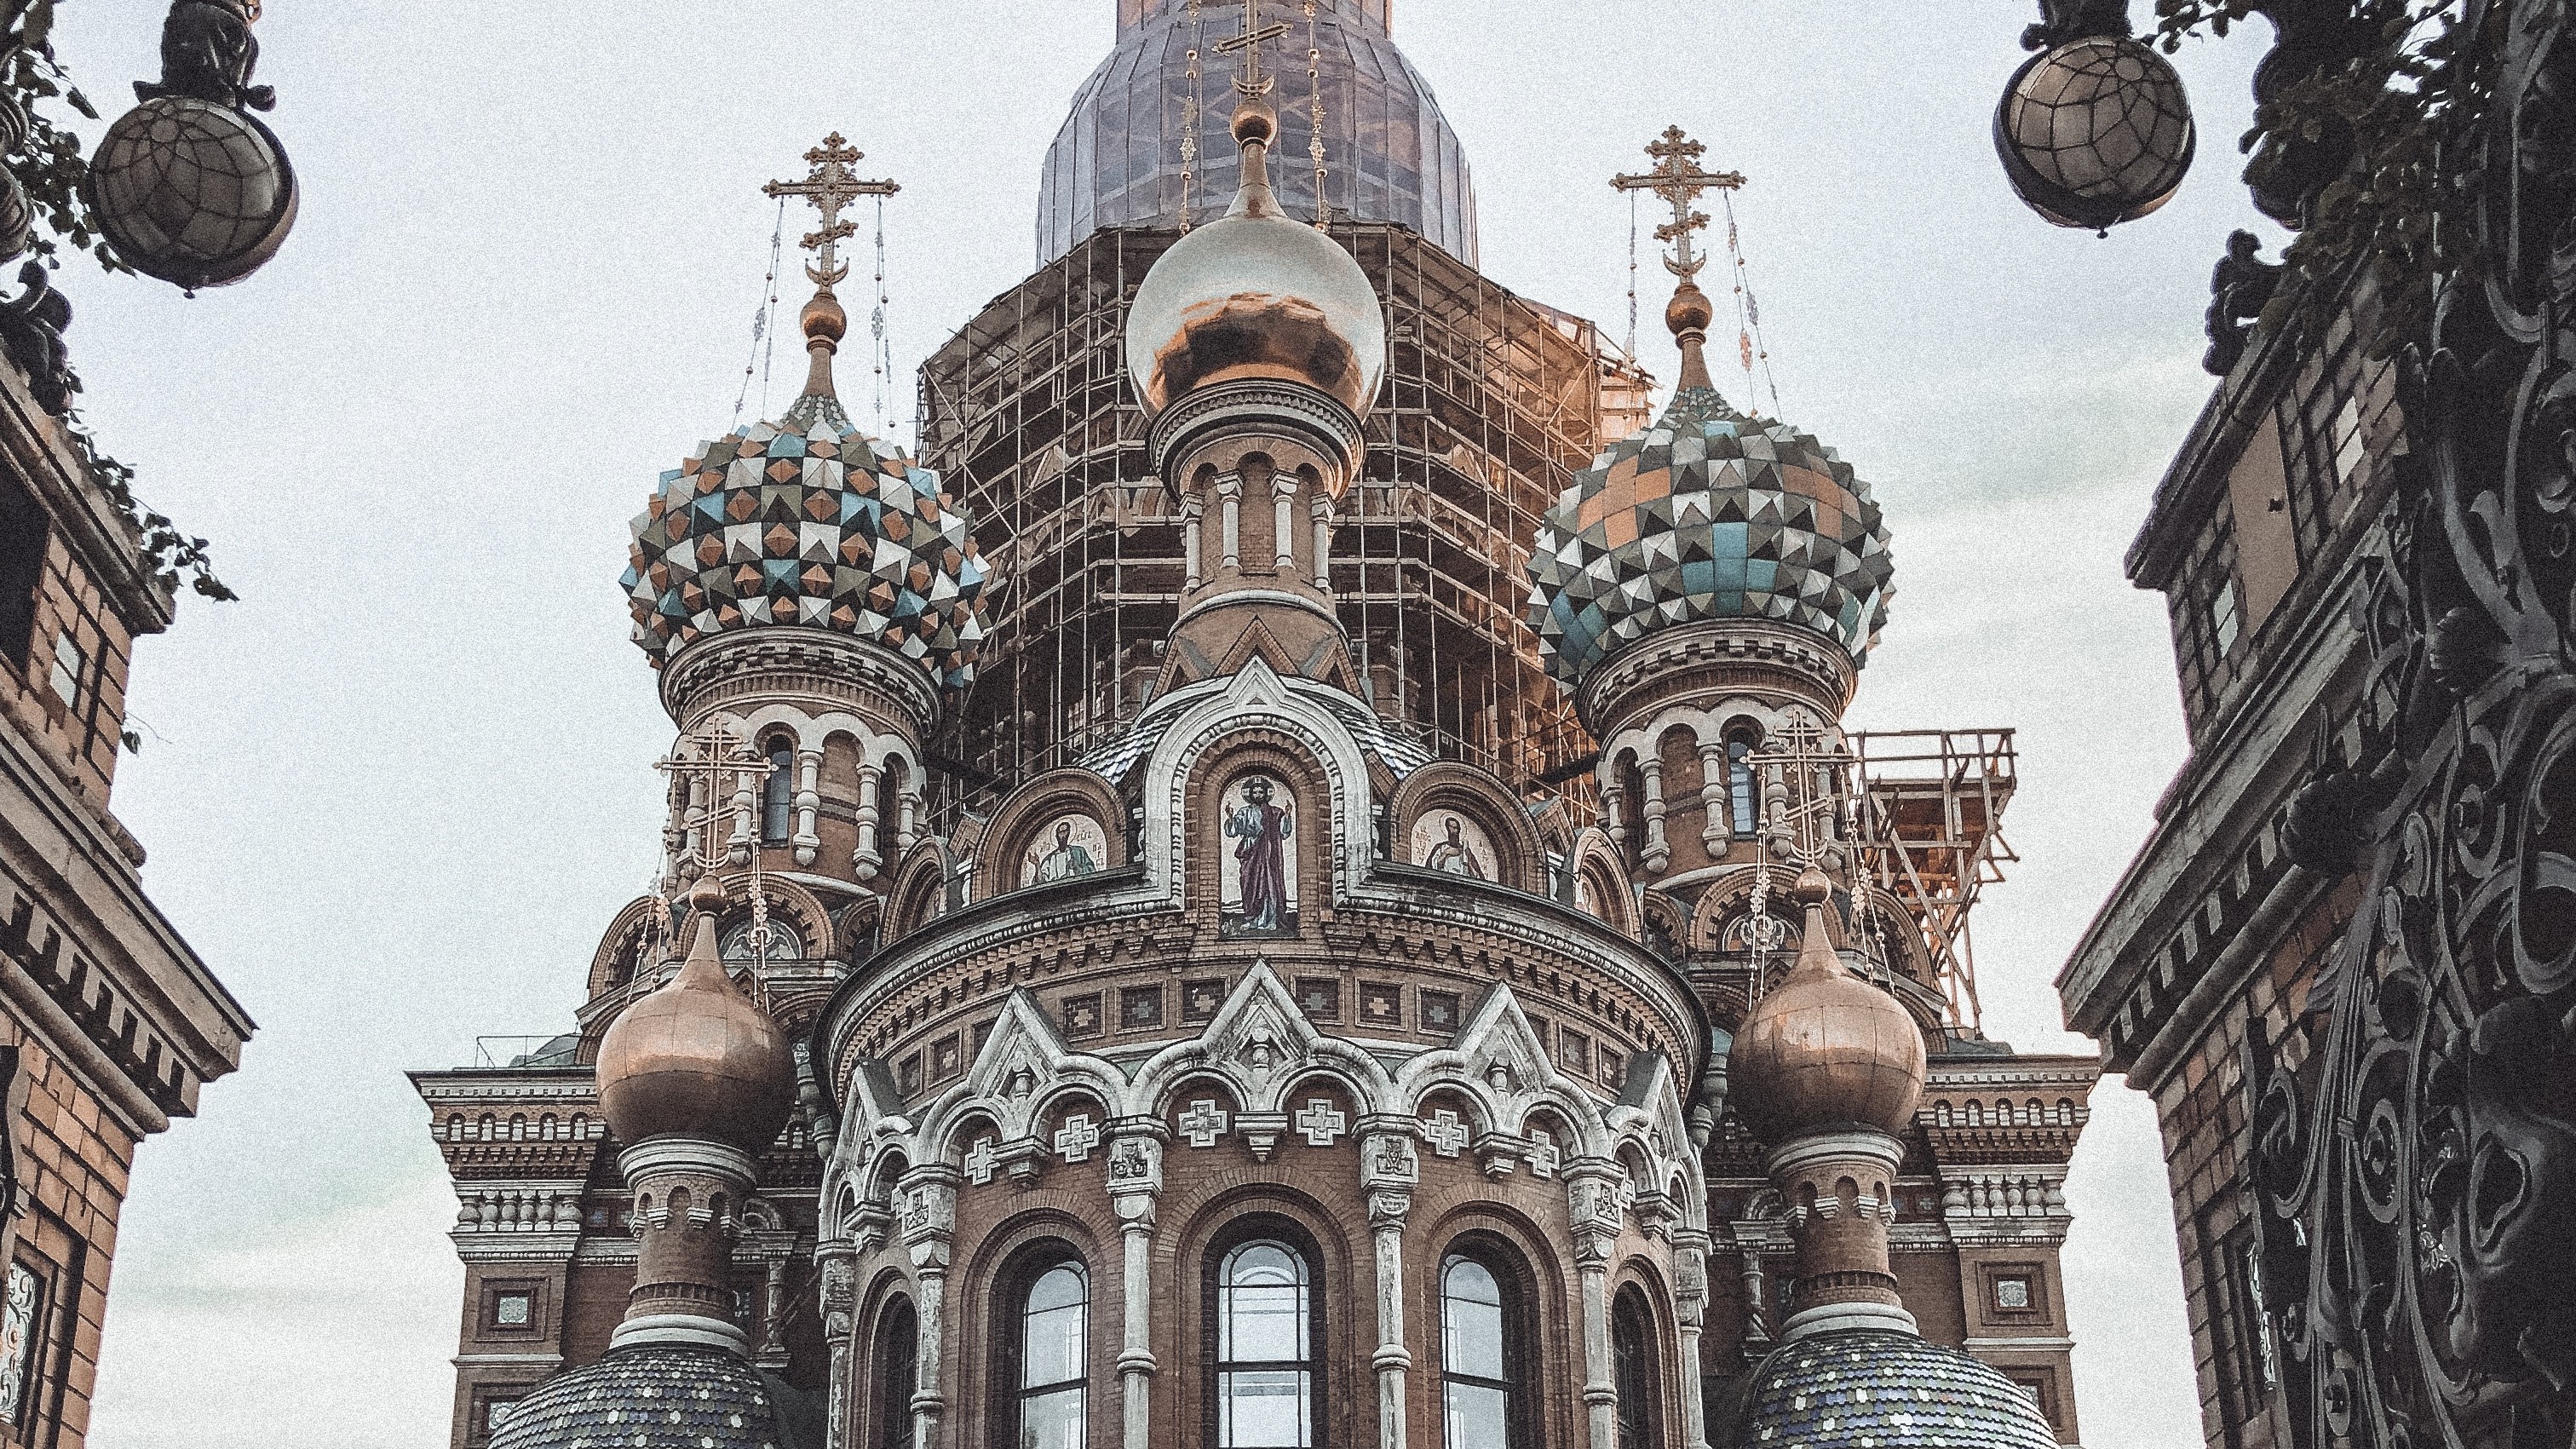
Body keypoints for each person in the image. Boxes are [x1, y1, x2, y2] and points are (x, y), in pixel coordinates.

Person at [1226, 776, 1294, 930]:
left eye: (1261, 792)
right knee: (1249, 882)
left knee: (1269, 884)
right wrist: (1230, 817)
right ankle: (1252, 919)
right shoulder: (1244, 812)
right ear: (1250, 794)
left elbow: (1284, 832)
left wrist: (1287, 815)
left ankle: (1270, 921)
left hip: (1269, 853)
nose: (1258, 795)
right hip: (1250, 851)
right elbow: (1233, 831)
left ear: (1266, 794)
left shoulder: (1275, 812)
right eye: (1255, 792)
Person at [1031, 819, 1099, 883]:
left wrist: (1078, 868)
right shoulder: (1049, 859)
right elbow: (1040, 881)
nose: (1063, 836)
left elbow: (1092, 870)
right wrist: (1037, 864)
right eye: (1061, 832)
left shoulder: (1079, 852)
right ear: (1057, 836)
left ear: (1069, 834)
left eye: (1066, 832)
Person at [1423, 815, 1486, 879]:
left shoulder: (1465, 851)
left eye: (1455, 828)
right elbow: (1431, 868)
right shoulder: (1440, 847)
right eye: (1450, 827)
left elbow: (1478, 876)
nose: (1453, 831)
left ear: (1459, 830)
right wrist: (1446, 853)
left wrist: (1469, 858)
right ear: (1447, 829)